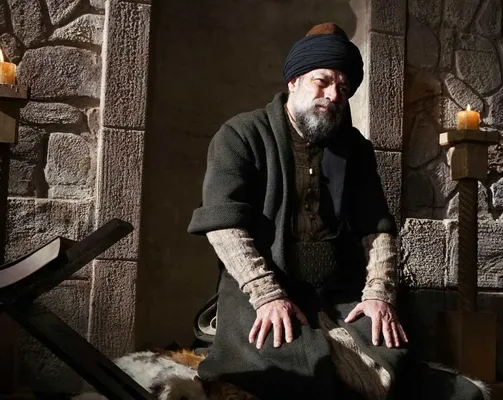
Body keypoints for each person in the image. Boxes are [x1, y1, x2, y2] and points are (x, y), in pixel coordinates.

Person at [188, 23, 486, 400]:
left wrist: (378, 294)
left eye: (343, 89)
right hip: (261, 288)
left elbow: (377, 228)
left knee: (390, 355)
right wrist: (266, 294)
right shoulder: (240, 134)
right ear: (294, 81)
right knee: (285, 363)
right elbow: (224, 225)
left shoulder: (355, 148)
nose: (333, 95)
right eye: (323, 81)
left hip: (338, 294)